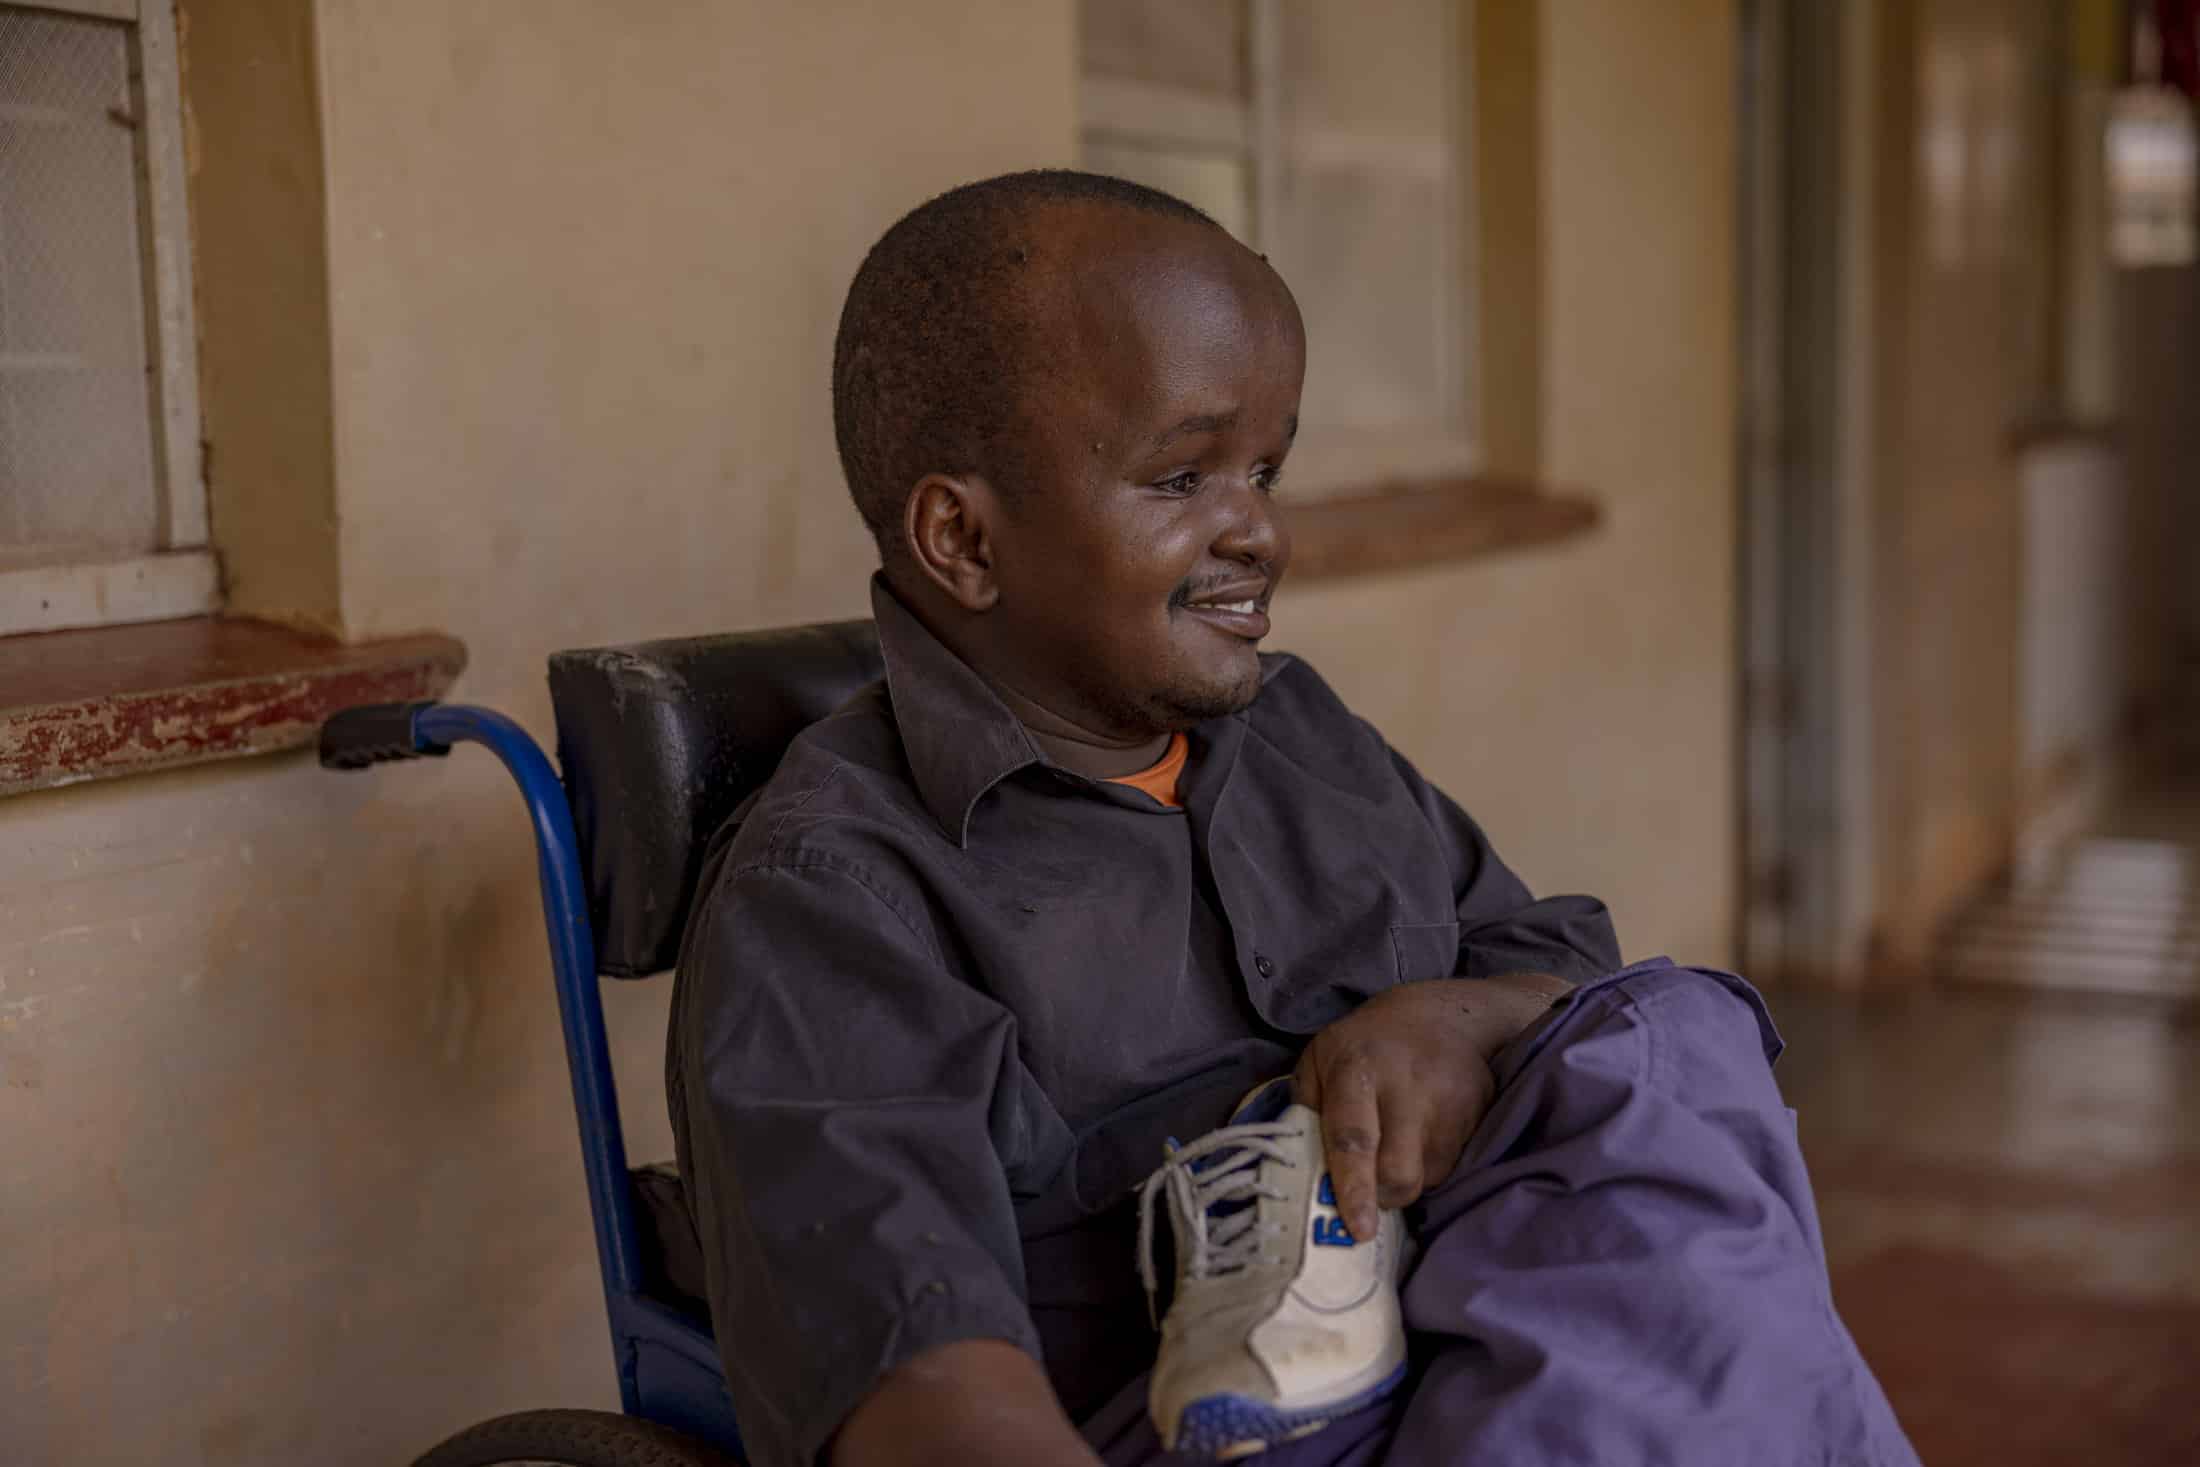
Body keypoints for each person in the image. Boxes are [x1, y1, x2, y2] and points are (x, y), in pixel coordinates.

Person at [668, 170, 1916, 1467]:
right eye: (1181, 476)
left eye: (1266, 468)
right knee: (1712, 1310)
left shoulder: (1296, 738)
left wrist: (1450, 1016)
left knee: (1671, 1036)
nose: (1257, 530)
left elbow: (1563, 971)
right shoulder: (835, 899)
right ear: (963, 541)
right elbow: (928, 1395)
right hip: (1229, 1431)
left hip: (1485, 1321)